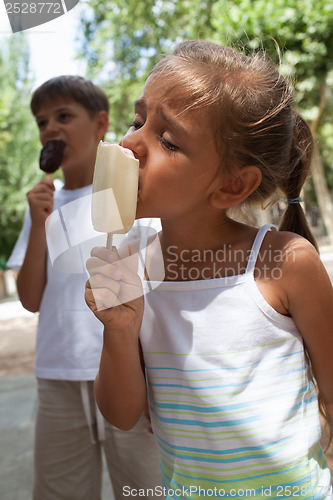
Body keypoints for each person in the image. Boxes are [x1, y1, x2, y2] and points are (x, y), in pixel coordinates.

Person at [85, 40, 333, 498]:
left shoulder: (286, 263)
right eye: (137, 120)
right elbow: (121, 415)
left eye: (167, 140)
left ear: (232, 185)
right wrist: (118, 330)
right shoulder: (132, 270)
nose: (129, 143)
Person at [7, 75, 161, 500]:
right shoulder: (42, 205)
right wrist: (40, 224)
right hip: (58, 374)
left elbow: (157, 290)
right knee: (60, 490)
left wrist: (157, 373)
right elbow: (31, 298)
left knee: (144, 488)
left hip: (129, 374)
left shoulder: (134, 194)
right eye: (41, 122)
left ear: (100, 124)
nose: (50, 129)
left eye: (63, 116)